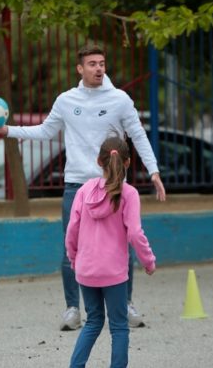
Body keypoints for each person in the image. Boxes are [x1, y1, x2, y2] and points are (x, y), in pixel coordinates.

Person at [0, 44, 165, 330]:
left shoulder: (120, 99)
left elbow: (138, 135)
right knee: (71, 245)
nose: (99, 68)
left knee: (123, 245)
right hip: (77, 185)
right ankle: (72, 309)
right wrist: (8, 130)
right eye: (92, 64)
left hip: (113, 185)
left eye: (102, 63)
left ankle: (126, 304)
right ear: (80, 68)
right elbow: (45, 130)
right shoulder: (66, 100)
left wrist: (154, 170)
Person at [65, 136, 156, 368]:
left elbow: (72, 230)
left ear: (99, 161)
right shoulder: (129, 194)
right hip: (114, 272)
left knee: (93, 322)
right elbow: (135, 233)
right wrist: (148, 261)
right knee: (119, 327)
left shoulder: (84, 190)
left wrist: (75, 260)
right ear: (127, 162)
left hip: (85, 270)